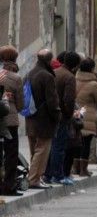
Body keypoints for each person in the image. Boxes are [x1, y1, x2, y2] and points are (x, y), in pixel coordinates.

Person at [26, 49, 61, 189]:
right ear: (49, 60)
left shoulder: (29, 74)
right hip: (44, 119)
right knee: (42, 149)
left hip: (30, 117)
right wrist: (57, 115)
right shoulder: (47, 76)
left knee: (34, 150)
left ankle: (34, 177)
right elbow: (52, 100)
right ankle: (34, 179)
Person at [44, 51, 80, 185]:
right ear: (75, 65)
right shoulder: (69, 77)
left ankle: (47, 174)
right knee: (59, 147)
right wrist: (70, 114)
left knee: (51, 146)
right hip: (63, 116)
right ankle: (58, 175)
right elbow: (69, 99)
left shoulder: (55, 72)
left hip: (51, 114)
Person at [74, 58, 97, 177]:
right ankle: (83, 169)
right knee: (86, 143)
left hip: (76, 113)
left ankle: (75, 168)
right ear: (92, 69)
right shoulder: (94, 84)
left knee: (77, 142)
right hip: (88, 115)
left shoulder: (74, 79)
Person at [0, 46, 24, 196]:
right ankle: (9, 186)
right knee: (11, 154)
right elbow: (21, 105)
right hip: (10, 119)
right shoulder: (16, 78)